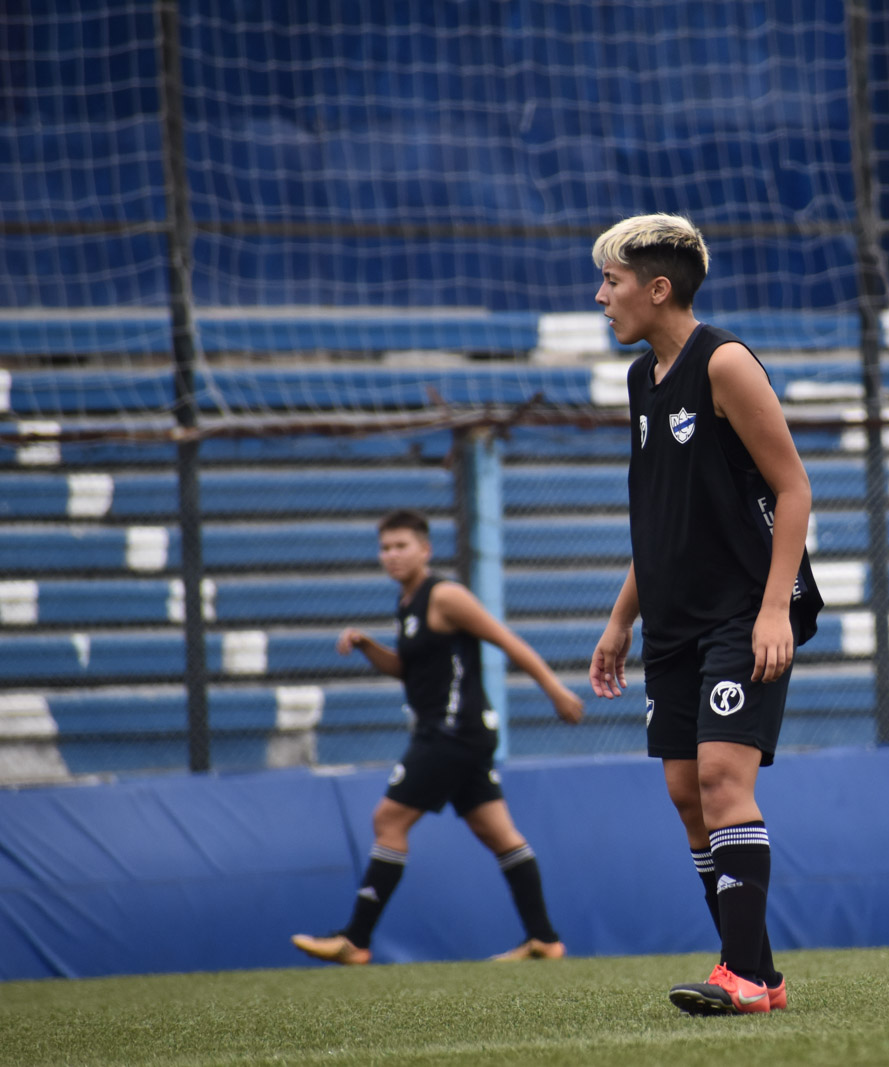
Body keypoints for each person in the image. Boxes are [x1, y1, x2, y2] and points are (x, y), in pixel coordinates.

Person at [587, 213, 823, 1015]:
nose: (601, 297)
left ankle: (745, 976)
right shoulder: (639, 380)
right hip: (675, 620)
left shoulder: (724, 362)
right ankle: (760, 972)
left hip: (740, 613)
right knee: (688, 794)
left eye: (612, 282)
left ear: (658, 289)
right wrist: (622, 618)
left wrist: (771, 611)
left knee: (724, 779)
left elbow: (794, 489)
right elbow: (660, 519)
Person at [292, 508, 586, 966]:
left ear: (425, 550)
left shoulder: (444, 595)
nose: (391, 555)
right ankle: (544, 940)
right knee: (498, 833)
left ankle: (355, 939)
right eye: (385, 548)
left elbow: (506, 640)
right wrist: (370, 647)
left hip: (452, 734)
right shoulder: (408, 603)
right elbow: (408, 670)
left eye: (401, 546)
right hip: (461, 736)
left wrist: (555, 690)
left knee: (388, 820)